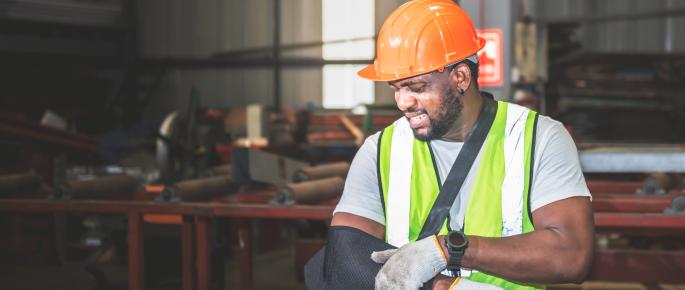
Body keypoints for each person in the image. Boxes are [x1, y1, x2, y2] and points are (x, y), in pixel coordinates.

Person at [330, 0, 594, 289]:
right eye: (396, 88)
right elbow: (346, 255)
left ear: (460, 77)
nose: (403, 102)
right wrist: (440, 287)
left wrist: (447, 250)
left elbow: (572, 256)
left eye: (417, 88)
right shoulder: (380, 150)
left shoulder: (538, 138)